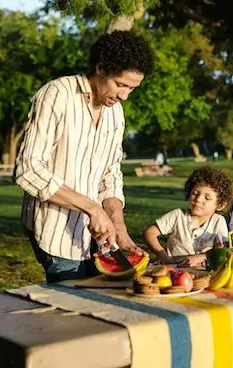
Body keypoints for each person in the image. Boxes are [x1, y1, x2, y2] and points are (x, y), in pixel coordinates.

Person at [14, 31, 155, 283]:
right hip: (56, 229)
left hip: (98, 237)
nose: (124, 95)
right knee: (72, 312)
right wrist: (91, 208)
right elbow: (29, 169)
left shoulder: (116, 113)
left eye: (132, 88)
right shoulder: (57, 94)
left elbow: (110, 175)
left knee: (104, 306)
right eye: (121, 84)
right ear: (100, 67)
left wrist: (118, 227)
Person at [144, 166, 233, 268]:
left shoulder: (218, 221)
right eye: (195, 193)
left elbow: (222, 250)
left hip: (204, 273)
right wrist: (162, 255)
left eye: (207, 198)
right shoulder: (177, 216)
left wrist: (201, 257)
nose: (199, 199)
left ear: (220, 205)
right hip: (174, 271)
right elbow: (150, 233)